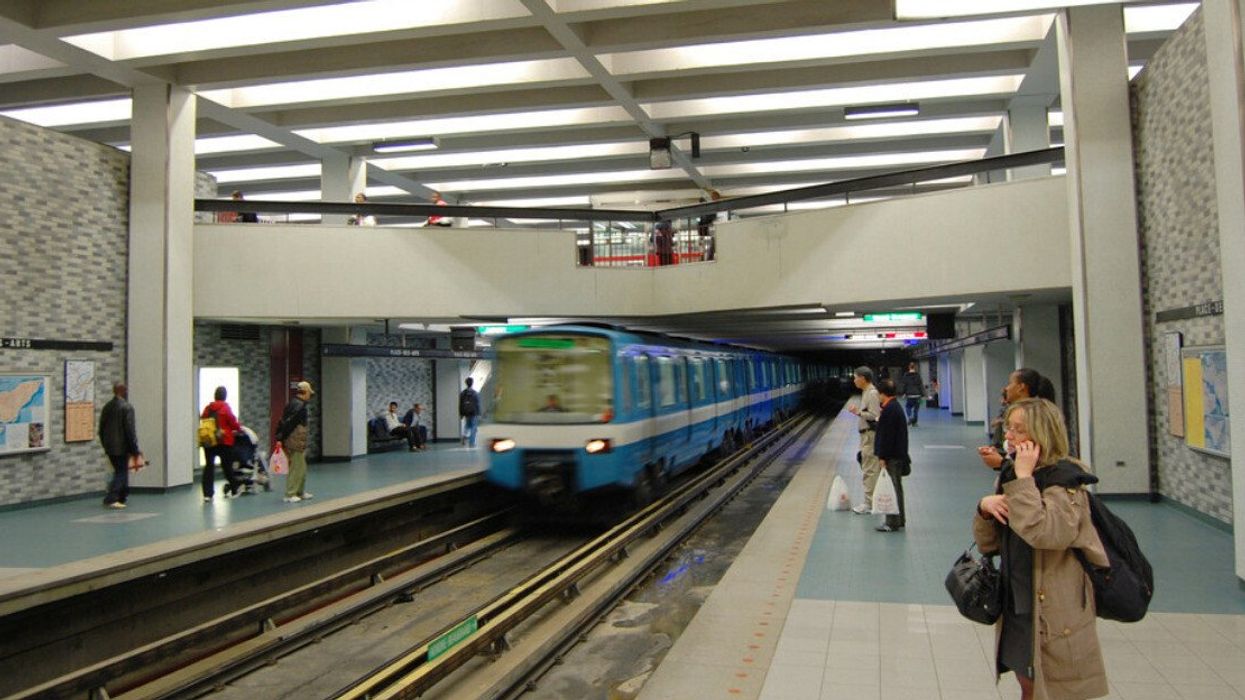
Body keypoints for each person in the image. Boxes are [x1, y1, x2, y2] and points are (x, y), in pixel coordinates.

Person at [974, 398, 1108, 699]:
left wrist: (1023, 478)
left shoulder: (1065, 483)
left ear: (1041, 435)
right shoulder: (1011, 476)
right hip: (1018, 600)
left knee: (1054, 686)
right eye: (1009, 427)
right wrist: (984, 509)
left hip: (1054, 607)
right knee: (1027, 682)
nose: (1009, 435)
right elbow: (990, 543)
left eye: (1018, 430)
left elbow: (1046, 534)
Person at [977, 368, 1055, 471]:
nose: (1006, 388)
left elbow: (1032, 467)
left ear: (1021, 387)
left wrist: (1002, 463)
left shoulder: (1037, 417)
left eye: (1010, 383)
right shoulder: (1013, 412)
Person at [873, 378, 909, 532]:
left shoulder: (889, 410)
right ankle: (899, 520)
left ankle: (892, 522)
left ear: (882, 394)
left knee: (892, 489)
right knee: (897, 488)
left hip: (892, 457)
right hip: (898, 454)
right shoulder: (895, 407)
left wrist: (882, 457)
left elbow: (887, 437)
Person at [98, 382, 141, 509]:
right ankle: (112, 497)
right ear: (123, 391)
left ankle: (123, 495)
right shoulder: (127, 408)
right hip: (122, 447)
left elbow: (101, 428)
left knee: (120, 470)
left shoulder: (107, 407)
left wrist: (105, 444)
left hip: (110, 446)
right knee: (121, 472)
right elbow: (129, 430)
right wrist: (135, 449)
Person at [845, 366, 881, 514]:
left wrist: (858, 412)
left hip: (870, 436)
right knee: (868, 467)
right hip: (866, 435)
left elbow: (874, 415)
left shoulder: (871, 393)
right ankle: (871, 500)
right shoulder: (866, 392)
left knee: (869, 470)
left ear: (863, 378)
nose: (854, 380)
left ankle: (869, 503)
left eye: (855, 377)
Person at [200, 386, 245, 502]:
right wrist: (239, 429)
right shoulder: (225, 408)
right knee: (227, 466)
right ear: (225, 396)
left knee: (209, 467)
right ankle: (235, 489)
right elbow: (233, 422)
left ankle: (207, 494)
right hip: (224, 441)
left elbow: (203, 419)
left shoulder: (208, 408)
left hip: (209, 441)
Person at [275, 381, 314, 503]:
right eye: (309, 393)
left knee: (301, 467)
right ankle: (290, 493)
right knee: (296, 467)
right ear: (305, 392)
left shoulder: (295, 404)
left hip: (298, 441)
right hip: (294, 440)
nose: (310, 396)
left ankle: (299, 491)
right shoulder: (298, 406)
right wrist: (281, 438)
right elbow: (289, 423)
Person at [898, 361, 924, 427]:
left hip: (910, 395)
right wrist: (922, 394)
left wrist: (903, 393)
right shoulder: (918, 375)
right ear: (914, 367)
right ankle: (915, 423)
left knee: (908, 406)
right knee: (916, 408)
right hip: (918, 395)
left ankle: (910, 417)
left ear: (909, 367)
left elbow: (904, 385)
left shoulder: (906, 375)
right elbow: (920, 385)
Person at [459, 377, 480, 447]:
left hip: (466, 412)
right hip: (474, 412)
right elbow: (477, 404)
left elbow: (460, 404)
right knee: (474, 427)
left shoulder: (462, 393)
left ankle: (464, 437)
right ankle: (472, 443)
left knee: (467, 425)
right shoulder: (475, 393)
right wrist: (479, 413)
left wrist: (461, 413)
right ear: (472, 383)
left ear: (466, 383)